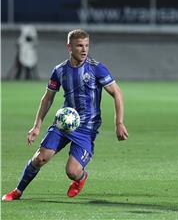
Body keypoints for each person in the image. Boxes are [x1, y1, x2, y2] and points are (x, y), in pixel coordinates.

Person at [2, 29, 128, 201]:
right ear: (69, 47)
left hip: (86, 128)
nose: (84, 50)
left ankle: (81, 178)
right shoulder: (60, 70)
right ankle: (17, 191)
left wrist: (119, 123)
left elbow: (117, 93)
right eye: (79, 46)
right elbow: (47, 98)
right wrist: (37, 125)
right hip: (63, 123)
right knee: (40, 158)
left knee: (72, 172)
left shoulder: (96, 68)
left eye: (86, 46)